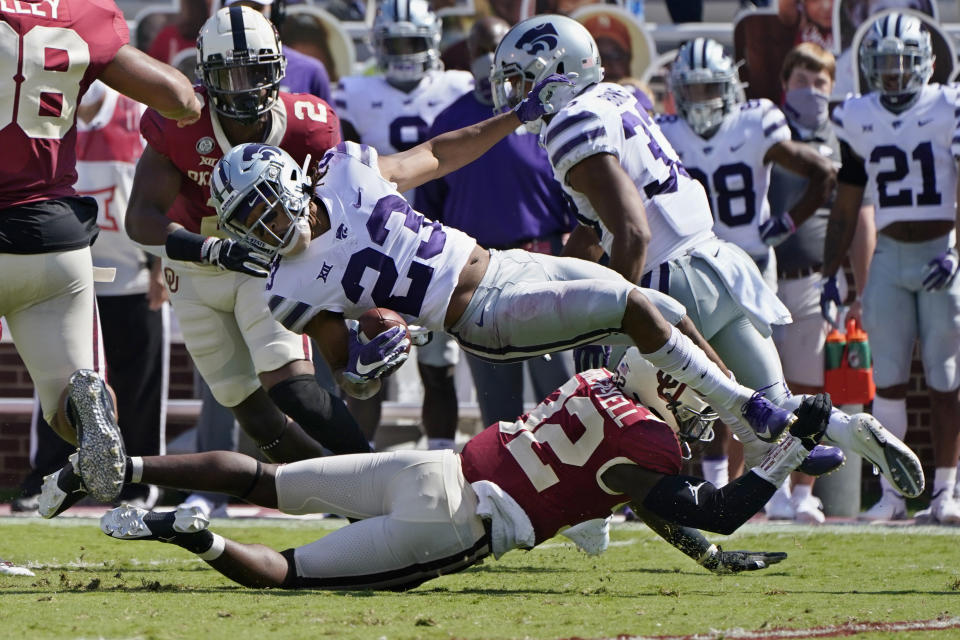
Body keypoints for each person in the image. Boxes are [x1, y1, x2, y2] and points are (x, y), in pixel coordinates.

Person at [204, 76, 923, 511]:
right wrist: (370, 360)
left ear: (294, 182)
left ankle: (756, 420)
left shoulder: (349, 170)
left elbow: (440, 153)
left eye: (268, 203)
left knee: (663, 311)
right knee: (635, 306)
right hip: (478, 314)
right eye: (251, 221)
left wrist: (516, 117)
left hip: (509, 263)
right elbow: (346, 375)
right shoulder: (287, 285)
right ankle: (751, 416)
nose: (269, 224)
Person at [491, 18, 837, 494]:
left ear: (559, 71)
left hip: (662, 277)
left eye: (523, 79)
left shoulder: (571, 124)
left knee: (611, 410)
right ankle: (803, 436)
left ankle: (593, 508)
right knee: (752, 400)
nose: (516, 93)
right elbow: (595, 228)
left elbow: (631, 232)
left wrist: (610, 313)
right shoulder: (615, 98)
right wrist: (552, 285)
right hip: (715, 260)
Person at [92, 373, 841, 590]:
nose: (699, 418)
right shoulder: (647, 450)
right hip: (455, 522)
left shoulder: (599, 382)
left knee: (266, 477)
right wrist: (790, 450)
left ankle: (127, 471)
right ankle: (196, 536)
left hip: (428, 463)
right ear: (666, 393)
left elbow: (652, 505)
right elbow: (717, 510)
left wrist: (707, 561)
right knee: (287, 575)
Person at [122, 8, 368, 472]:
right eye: (228, 74)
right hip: (194, 269)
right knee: (251, 413)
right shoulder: (178, 120)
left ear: (277, 69)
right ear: (205, 76)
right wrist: (210, 249)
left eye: (254, 72)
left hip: (264, 263)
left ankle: (370, 473)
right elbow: (140, 218)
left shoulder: (307, 125)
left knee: (291, 385)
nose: (242, 86)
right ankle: (336, 493)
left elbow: (342, 208)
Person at [0, 0, 200, 513]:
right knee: (68, 389)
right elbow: (180, 98)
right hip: (54, 238)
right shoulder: (81, 12)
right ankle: (83, 406)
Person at [657, 37, 835, 518]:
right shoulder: (663, 130)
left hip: (750, 266)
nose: (701, 101)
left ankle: (771, 480)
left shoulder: (756, 122)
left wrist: (789, 220)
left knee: (755, 377)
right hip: (696, 267)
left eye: (711, 89)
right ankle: (723, 481)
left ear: (731, 87)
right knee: (709, 376)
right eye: (691, 92)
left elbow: (822, 172)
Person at [821, 13, 960, 524]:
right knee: (890, 383)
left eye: (904, 63)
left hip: (940, 253)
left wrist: (957, 250)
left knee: (947, 378)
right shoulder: (858, 115)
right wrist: (829, 271)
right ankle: (894, 494)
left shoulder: (949, 105)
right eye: (885, 64)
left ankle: (947, 490)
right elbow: (847, 199)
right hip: (889, 258)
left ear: (924, 63)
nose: (896, 73)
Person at [15, 81, 171, 512]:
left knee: (139, 387)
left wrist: (161, 262)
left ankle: (140, 483)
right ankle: (47, 478)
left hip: (131, 273)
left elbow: (164, 191)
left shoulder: (140, 114)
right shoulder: (38, 111)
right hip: (66, 274)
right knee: (57, 380)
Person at [415, 16, 575, 427]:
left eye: (498, 45)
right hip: (478, 274)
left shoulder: (550, 115)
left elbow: (576, 195)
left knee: (561, 399)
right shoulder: (450, 120)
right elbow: (430, 208)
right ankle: (502, 489)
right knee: (497, 409)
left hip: (544, 265)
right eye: (480, 47)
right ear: (468, 55)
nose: (488, 56)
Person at [332, 0, 474, 450]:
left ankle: (441, 459)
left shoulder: (458, 87)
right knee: (368, 361)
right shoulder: (352, 92)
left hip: (434, 240)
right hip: (374, 244)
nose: (404, 51)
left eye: (413, 40)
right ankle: (356, 464)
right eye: (395, 42)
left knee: (438, 364)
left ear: (433, 37)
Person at [767, 43, 876, 523]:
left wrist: (861, 287)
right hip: (764, 274)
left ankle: (801, 490)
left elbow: (859, 217)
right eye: (802, 80)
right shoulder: (768, 129)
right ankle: (767, 485)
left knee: (810, 389)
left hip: (816, 278)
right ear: (785, 82)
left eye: (821, 82)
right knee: (764, 385)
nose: (811, 90)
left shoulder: (843, 136)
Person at [223, 0, 332, 102]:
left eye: (256, 9)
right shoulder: (211, 73)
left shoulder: (311, 71)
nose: (247, 18)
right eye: (239, 11)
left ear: (276, 13)